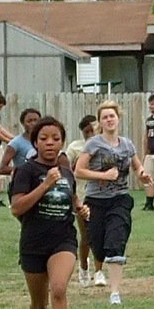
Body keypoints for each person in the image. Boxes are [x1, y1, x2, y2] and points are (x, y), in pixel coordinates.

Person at [9, 116, 90, 309]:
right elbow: (17, 208)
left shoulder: (66, 172)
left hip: (62, 241)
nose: (50, 144)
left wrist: (81, 209)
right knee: (37, 305)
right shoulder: (26, 171)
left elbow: (73, 199)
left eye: (56, 139)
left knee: (59, 289)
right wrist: (45, 185)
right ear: (35, 142)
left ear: (62, 142)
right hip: (33, 243)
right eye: (44, 139)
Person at [74, 101, 152, 305]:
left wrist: (143, 175)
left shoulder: (127, 144)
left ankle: (115, 292)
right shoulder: (93, 144)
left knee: (116, 241)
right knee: (98, 246)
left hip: (119, 198)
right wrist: (103, 175)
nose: (109, 120)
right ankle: (95, 266)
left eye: (112, 116)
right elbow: (78, 171)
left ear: (118, 118)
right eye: (105, 117)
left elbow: (137, 167)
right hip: (96, 201)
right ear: (100, 122)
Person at [67, 115, 98, 285]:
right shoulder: (75, 147)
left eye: (93, 130)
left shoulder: (105, 144)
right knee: (86, 235)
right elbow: (66, 168)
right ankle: (84, 268)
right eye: (87, 131)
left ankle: (100, 270)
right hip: (82, 196)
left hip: (101, 195)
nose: (91, 134)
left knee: (100, 234)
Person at [0, 107, 41, 178]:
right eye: (29, 121)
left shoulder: (44, 141)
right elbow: (2, 169)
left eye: (36, 120)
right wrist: (23, 171)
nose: (33, 123)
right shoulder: (15, 143)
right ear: (23, 123)